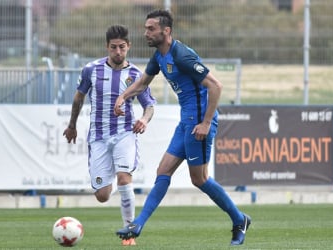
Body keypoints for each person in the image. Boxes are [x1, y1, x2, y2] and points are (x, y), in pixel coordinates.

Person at [114, 9, 251, 246]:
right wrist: (123, 97)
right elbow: (143, 82)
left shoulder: (181, 55)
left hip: (198, 122)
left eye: (151, 29)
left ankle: (239, 220)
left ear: (166, 31)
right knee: (163, 170)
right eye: (146, 28)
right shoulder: (159, 56)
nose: (146, 33)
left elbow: (216, 86)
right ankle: (137, 225)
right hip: (185, 122)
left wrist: (206, 122)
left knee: (200, 179)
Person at [63, 25, 156, 246]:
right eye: (113, 47)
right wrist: (72, 125)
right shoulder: (91, 70)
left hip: (125, 133)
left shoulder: (136, 75)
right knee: (102, 195)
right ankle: (112, 180)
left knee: (125, 177)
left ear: (128, 46)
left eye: (122, 47)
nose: (117, 52)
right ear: (107, 47)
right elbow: (78, 99)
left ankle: (130, 232)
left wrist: (144, 119)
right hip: (98, 136)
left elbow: (149, 105)